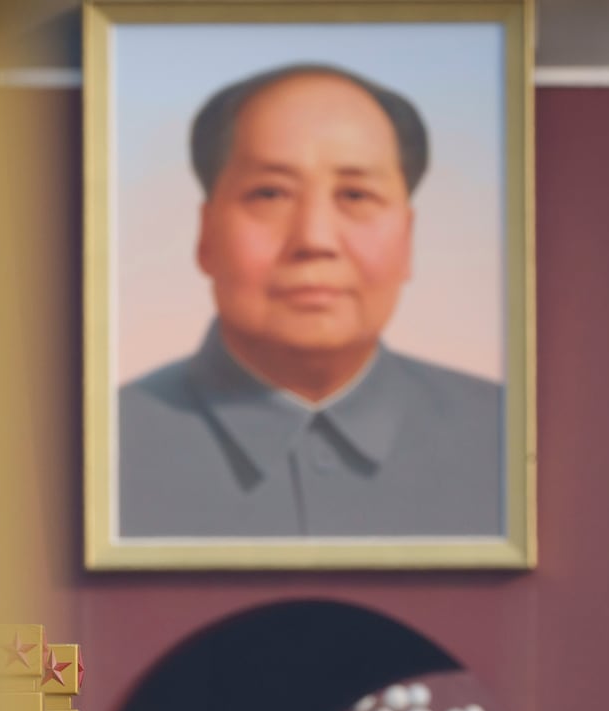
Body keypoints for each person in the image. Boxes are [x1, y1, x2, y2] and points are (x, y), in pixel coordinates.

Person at [117, 63, 503, 539]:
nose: (315, 239)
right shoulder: (93, 450)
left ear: (408, 238)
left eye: (356, 194)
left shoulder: (510, 441)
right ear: (206, 235)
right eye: (270, 193)